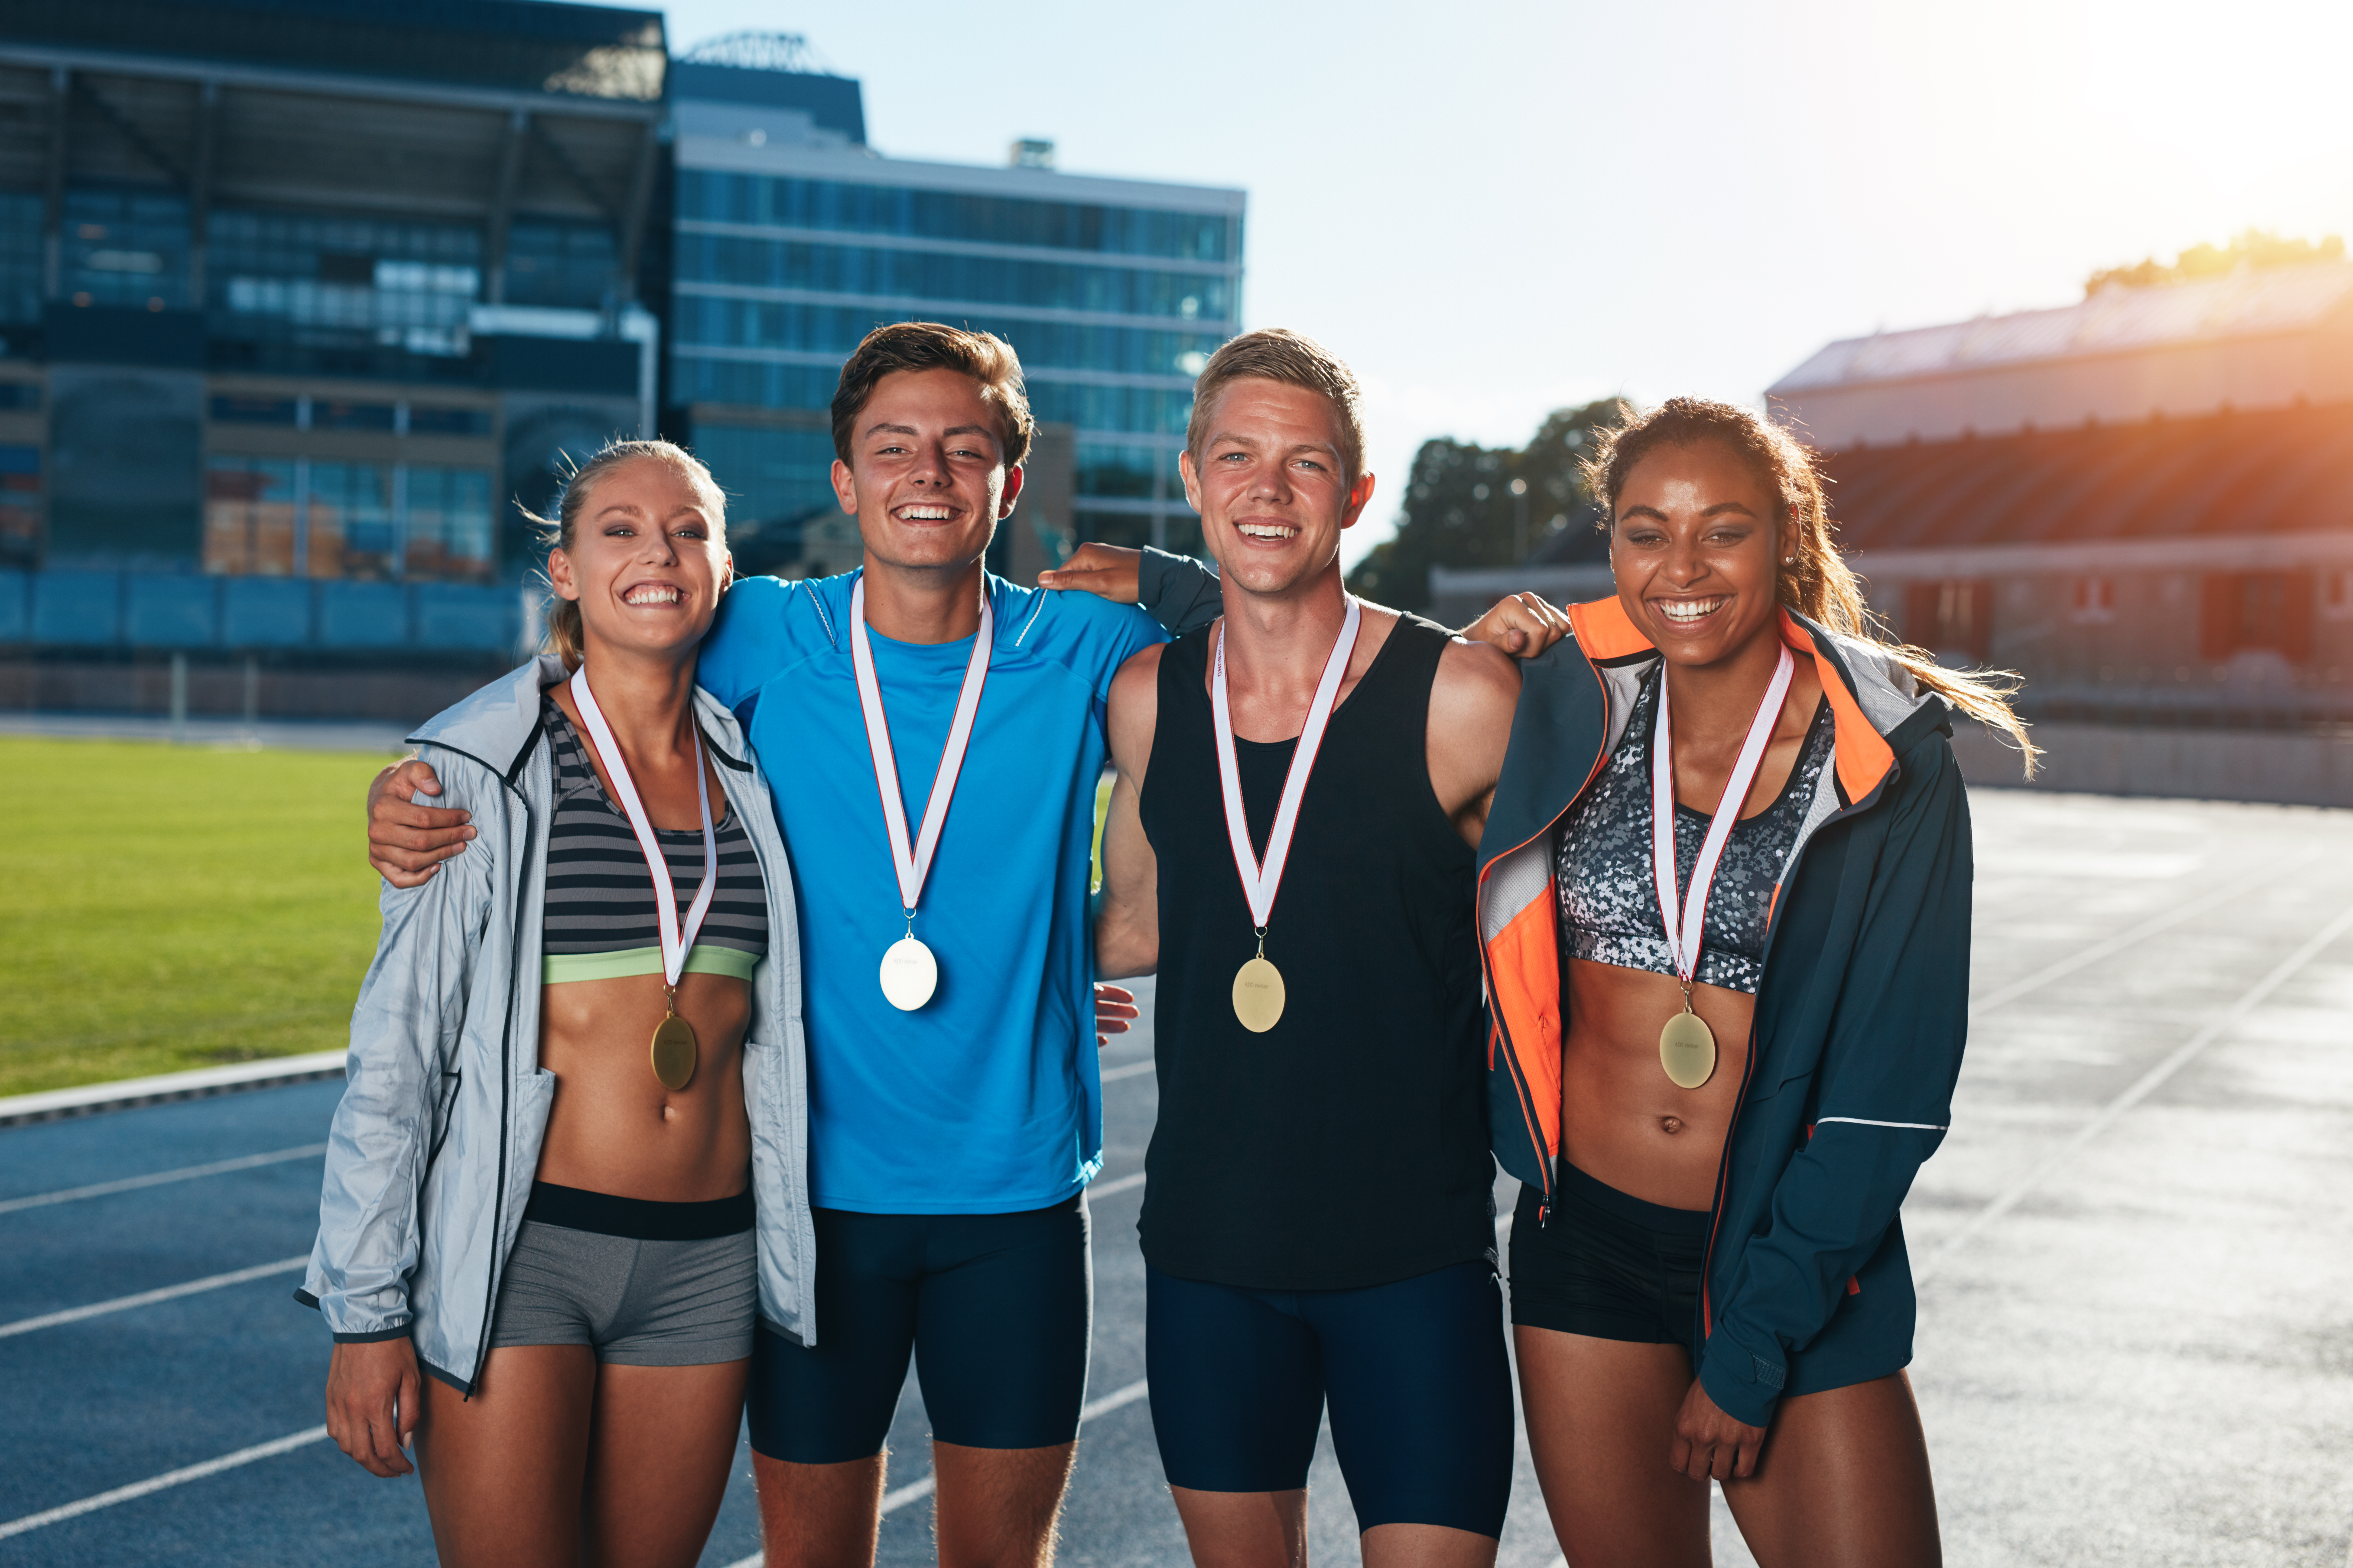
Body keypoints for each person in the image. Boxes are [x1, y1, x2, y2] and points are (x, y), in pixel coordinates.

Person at [363, 324, 1566, 1568]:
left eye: (965, 448)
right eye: (894, 447)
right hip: (816, 1203)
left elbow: (1277, 622)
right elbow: (609, 653)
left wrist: (1173, 586)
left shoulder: (1088, 647)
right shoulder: (765, 633)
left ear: (1008, 479)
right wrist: (423, 775)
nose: (927, 473)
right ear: (845, 479)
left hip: (1019, 1202)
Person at [1480, 397, 2034, 1567]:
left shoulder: (1889, 757)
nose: (1680, 568)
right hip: (1582, 1247)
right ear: (1612, 542)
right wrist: (1180, 590)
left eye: (1720, 530)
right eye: (1645, 531)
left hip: (1790, 1260)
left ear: (1787, 532)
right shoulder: (1569, 698)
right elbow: (1337, 697)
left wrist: (1754, 1342)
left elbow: (1890, 1092)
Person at [1089, 327, 1568, 1568]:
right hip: (1210, 1251)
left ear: (1356, 494)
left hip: (1411, 1255)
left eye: (1306, 464)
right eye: (1237, 456)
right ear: (1192, 478)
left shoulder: (1461, 695)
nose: (1267, 487)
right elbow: (1133, 920)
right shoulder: (1145, 697)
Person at [304, 440, 813, 1568]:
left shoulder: (754, 770)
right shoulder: (472, 770)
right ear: (567, 570)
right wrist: (365, 1308)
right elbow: (398, 1057)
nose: (658, 551)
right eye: (620, 530)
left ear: (724, 570)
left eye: (688, 529)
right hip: (525, 1252)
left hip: (707, 1262)